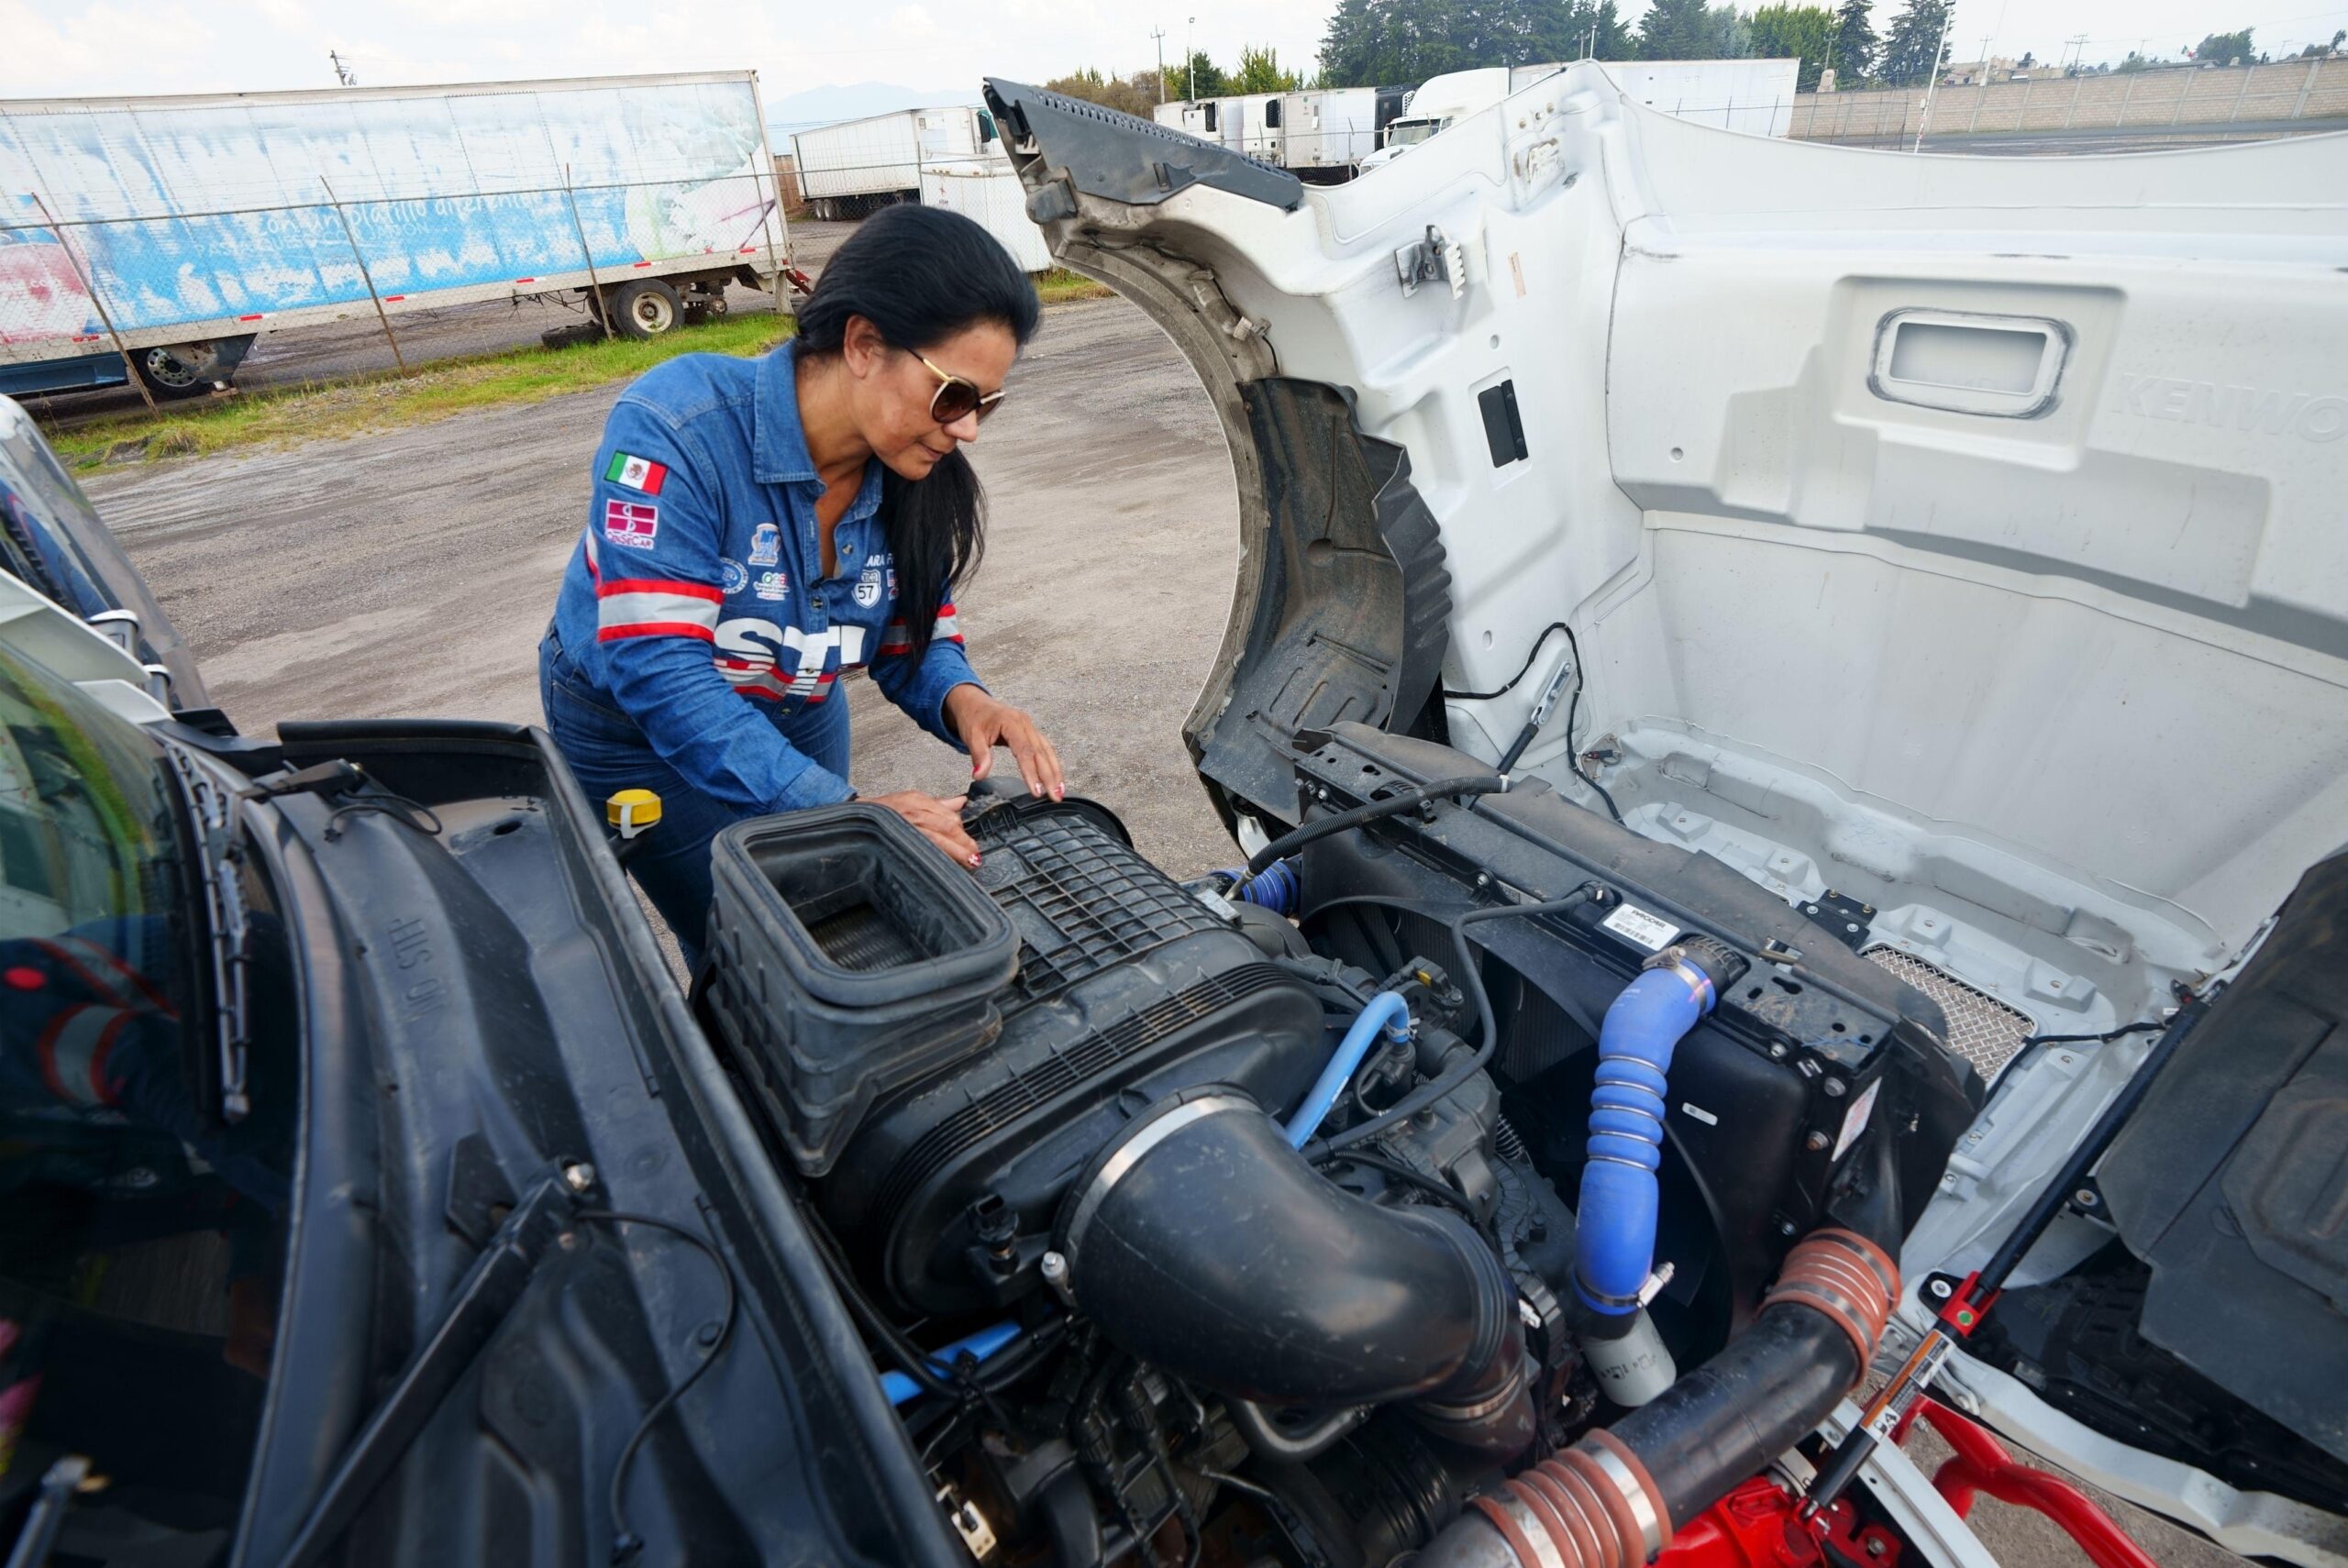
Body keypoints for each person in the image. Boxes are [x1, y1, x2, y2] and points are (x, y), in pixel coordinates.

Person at [540, 205, 1063, 964]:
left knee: (820, 913)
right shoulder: (678, 429)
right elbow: (657, 667)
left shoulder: (915, 473)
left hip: (794, 705)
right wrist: (847, 813)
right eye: (955, 394)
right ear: (863, 342)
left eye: (986, 403)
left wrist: (968, 700)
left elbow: (908, 633)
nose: (969, 429)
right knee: (736, 938)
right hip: (636, 736)